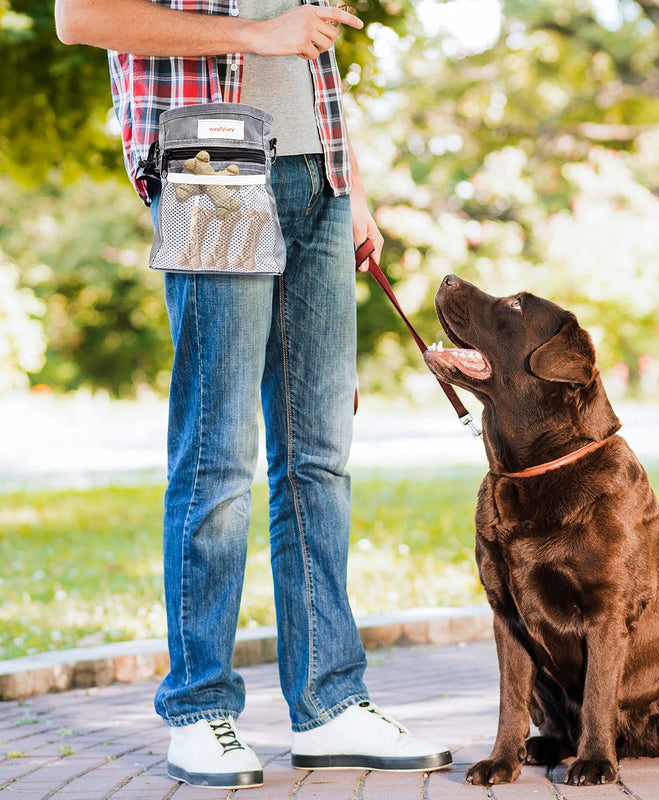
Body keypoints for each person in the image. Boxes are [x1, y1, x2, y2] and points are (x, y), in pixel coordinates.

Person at [54, 0, 452, 789]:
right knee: (218, 452)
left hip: (323, 176)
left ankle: (330, 704)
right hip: (213, 165)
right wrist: (255, 35)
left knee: (320, 456)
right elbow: (78, 16)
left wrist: (356, 187)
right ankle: (200, 710)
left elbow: (312, 51)